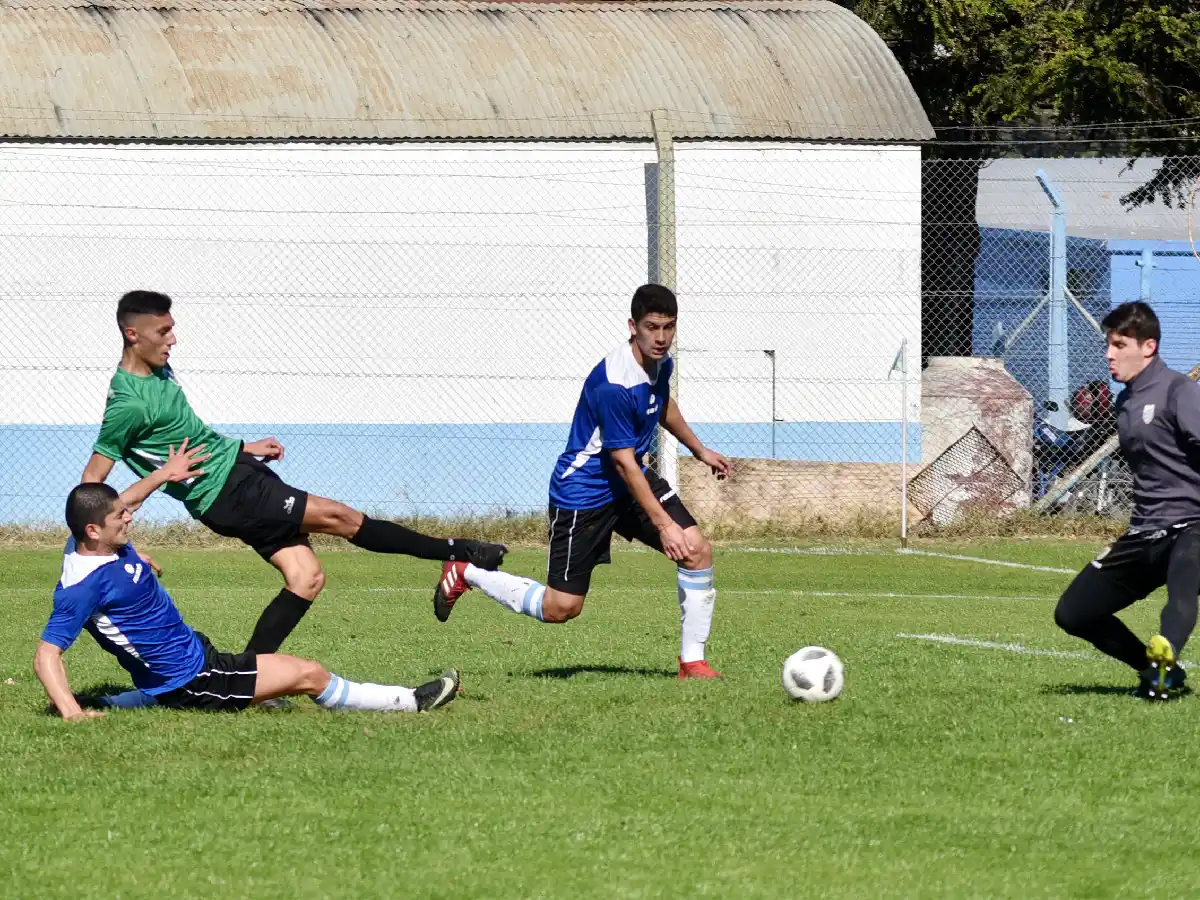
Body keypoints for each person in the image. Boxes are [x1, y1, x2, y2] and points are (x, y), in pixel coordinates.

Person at [81, 290, 507, 657]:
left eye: (172, 329)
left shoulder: (158, 370)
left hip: (238, 474)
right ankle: (460, 553)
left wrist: (242, 448)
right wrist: (160, 481)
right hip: (228, 494)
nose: (173, 339)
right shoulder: (127, 403)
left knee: (307, 579)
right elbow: (90, 489)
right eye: (163, 332)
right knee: (342, 517)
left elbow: (187, 433)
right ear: (132, 335)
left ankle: (247, 678)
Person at [429, 284, 732, 679]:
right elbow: (621, 460)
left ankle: (692, 663)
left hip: (628, 481)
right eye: (651, 327)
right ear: (632, 326)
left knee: (696, 550)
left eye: (668, 327)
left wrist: (699, 449)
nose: (660, 338)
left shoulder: (660, 364)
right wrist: (664, 525)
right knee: (562, 608)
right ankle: (468, 572)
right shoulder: (615, 383)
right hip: (584, 494)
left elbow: (662, 404)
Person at [35, 478, 461, 720]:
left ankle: (129, 699)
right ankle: (411, 702)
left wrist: (140, 548)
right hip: (196, 681)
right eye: (119, 517)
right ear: (93, 531)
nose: (130, 515)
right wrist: (72, 713)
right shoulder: (81, 588)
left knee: (278, 673)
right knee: (308, 674)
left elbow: (117, 516)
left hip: (193, 655)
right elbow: (46, 657)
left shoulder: (93, 545)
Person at [1054, 301, 1200, 700]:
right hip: (1145, 530)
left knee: (1183, 592)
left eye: (1119, 344)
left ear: (1148, 346)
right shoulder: (1126, 403)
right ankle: (1157, 670)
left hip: (1192, 525)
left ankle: (1163, 663)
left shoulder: (1178, 390)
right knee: (1074, 612)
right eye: (1109, 344)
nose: (1109, 354)